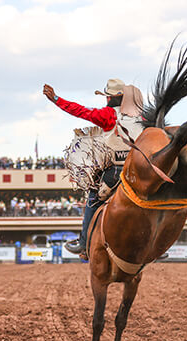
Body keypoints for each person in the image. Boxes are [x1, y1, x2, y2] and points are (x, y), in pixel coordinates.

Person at [43, 79, 143, 259]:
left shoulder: (107, 115)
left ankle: (84, 243)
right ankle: (155, 244)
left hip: (116, 172)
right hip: (139, 170)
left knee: (93, 197)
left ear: (111, 98)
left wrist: (57, 99)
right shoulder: (141, 116)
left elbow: (80, 111)